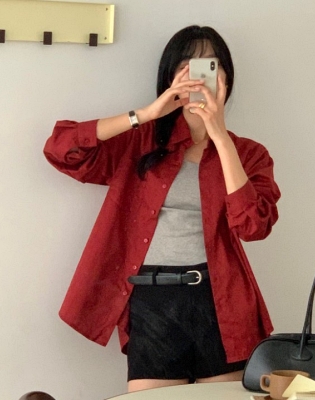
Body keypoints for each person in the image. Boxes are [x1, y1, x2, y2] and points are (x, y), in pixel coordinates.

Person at [43, 25, 281, 392]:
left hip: (220, 300)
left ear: (226, 78)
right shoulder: (140, 143)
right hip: (151, 300)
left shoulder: (249, 153)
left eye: (210, 65)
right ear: (170, 76)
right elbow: (62, 150)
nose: (197, 76)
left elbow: (254, 227)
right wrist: (146, 113)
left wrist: (219, 135)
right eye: (186, 65)